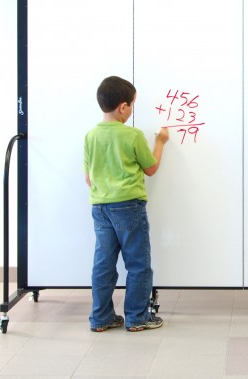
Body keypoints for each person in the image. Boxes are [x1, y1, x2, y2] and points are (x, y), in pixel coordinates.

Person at [83, 75, 170, 332]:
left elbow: (88, 178)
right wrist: (160, 142)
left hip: (100, 207)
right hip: (129, 206)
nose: (131, 110)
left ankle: (101, 318)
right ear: (123, 106)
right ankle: (137, 317)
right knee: (138, 264)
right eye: (131, 105)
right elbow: (151, 168)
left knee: (104, 264)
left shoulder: (90, 136)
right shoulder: (132, 135)